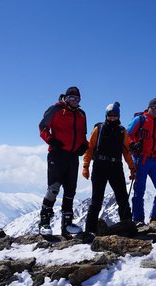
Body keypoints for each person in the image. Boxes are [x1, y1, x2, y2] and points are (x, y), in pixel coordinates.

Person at [38, 86, 89, 236]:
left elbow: (82, 134)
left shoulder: (81, 114)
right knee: (53, 188)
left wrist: (84, 146)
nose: (74, 101)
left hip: (73, 157)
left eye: (77, 98)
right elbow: (42, 127)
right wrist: (51, 140)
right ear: (65, 97)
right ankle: (44, 222)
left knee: (70, 191)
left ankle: (66, 224)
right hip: (57, 154)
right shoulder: (55, 109)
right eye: (71, 98)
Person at [82, 102, 135, 234]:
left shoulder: (122, 131)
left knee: (122, 197)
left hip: (116, 167)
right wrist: (85, 166)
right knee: (96, 200)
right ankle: (90, 231)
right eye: (110, 115)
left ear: (118, 116)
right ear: (106, 116)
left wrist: (132, 168)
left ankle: (127, 225)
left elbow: (127, 151)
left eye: (115, 115)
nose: (112, 118)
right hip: (100, 166)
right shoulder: (98, 129)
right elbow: (90, 148)